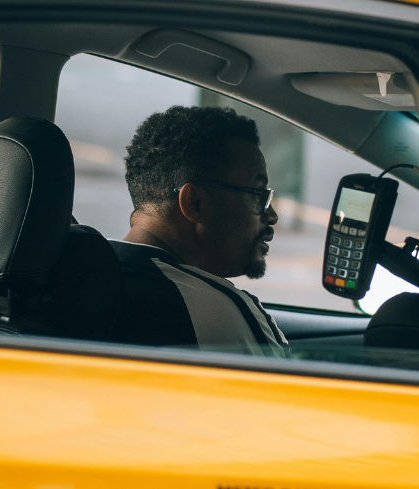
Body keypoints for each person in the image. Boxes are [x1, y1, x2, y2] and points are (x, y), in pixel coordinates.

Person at [109, 105, 288, 356]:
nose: (271, 215)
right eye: (258, 194)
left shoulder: (75, 274)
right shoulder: (217, 309)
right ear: (195, 203)